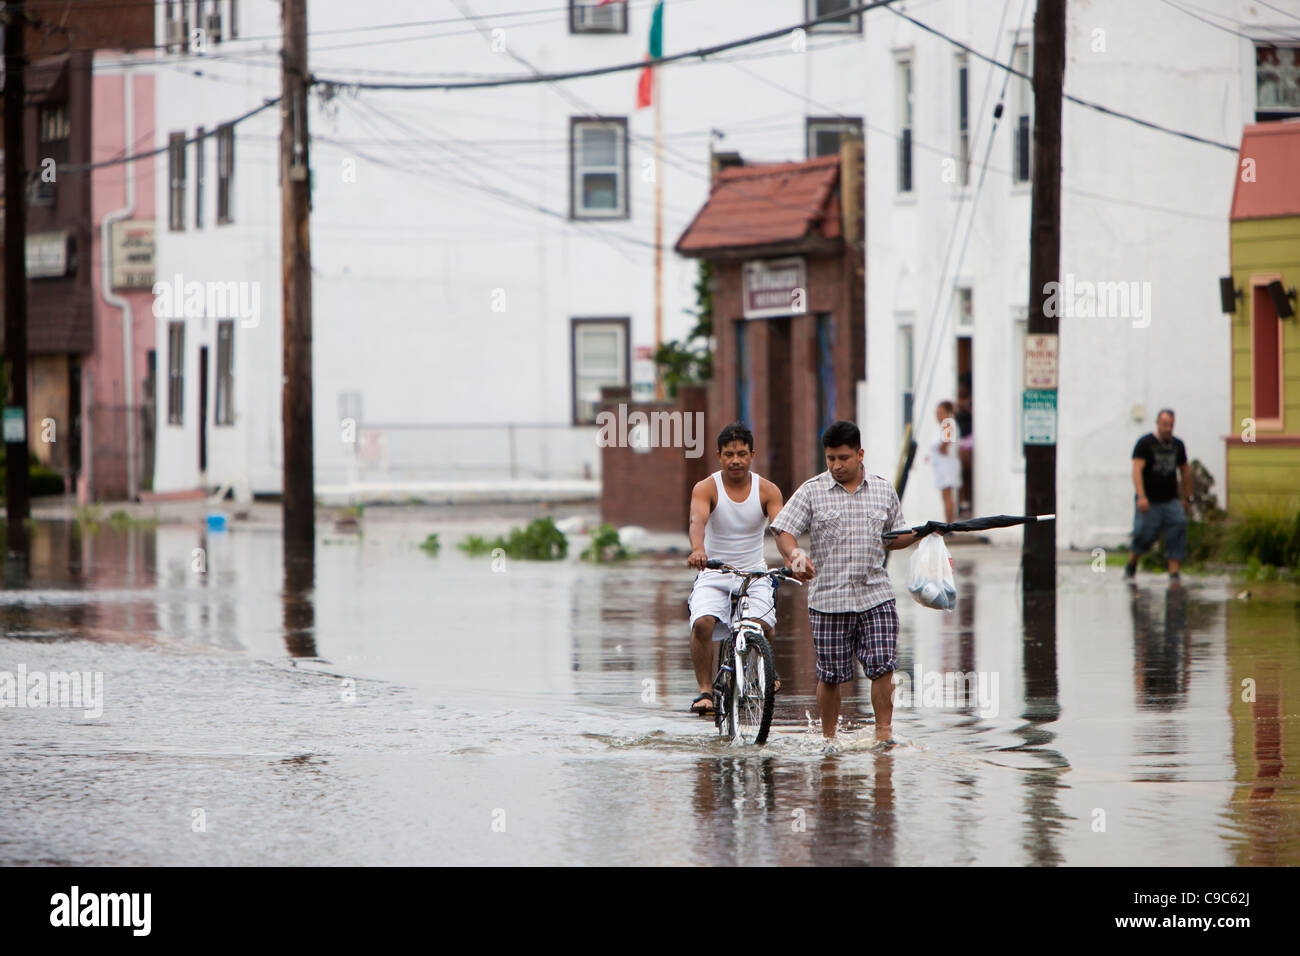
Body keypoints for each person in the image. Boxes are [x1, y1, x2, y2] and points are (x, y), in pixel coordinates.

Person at [771, 420, 919, 744]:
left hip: (875, 594)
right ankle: (829, 739)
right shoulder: (812, 491)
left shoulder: (883, 489)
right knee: (832, 675)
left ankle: (884, 734)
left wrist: (925, 533)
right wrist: (794, 555)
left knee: (883, 665)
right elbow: (783, 531)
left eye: (843, 458)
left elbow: (895, 537)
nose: (836, 466)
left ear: (860, 454)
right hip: (828, 600)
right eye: (830, 459)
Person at [686, 423, 785, 715]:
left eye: (742, 453)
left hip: (754, 573)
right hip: (715, 571)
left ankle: (766, 669)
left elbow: (781, 531)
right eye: (729, 454)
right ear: (719, 455)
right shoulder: (706, 488)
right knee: (703, 623)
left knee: (764, 625)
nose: (736, 460)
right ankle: (704, 689)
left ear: (752, 454)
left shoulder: (767, 490)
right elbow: (697, 522)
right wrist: (698, 549)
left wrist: (792, 557)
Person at [1125, 408, 1192, 582]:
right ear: (1157, 424)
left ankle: (1174, 573)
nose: (1168, 428)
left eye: (1171, 424)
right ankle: (1132, 563)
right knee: (1144, 535)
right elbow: (1137, 470)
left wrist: (1187, 497)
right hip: (1149, 500)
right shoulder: (1145, 443)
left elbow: (1185, 470)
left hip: (1171, 500)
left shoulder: (1178, 445)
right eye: (1165, 424)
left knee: (1178, 527)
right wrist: (1141, 496)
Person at [929, 400, 961, 525]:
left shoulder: (948, 423)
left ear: (948, 413)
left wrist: (941, 449)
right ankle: (948, 522)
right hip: (941, 465)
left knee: (947, 496)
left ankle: (949, 524)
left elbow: (945, 443)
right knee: (945, 495)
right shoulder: (943, 426)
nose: (938, 416)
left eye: (941, 413)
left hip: (947, 465)